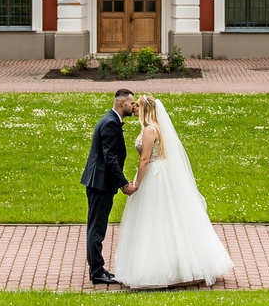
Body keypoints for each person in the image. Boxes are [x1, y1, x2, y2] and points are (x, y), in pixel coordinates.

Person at [111, 94, 234, 290]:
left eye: (138, 106)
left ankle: (161, 269)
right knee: (166, 218)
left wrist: (136, 184)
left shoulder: (149, 130)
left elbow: (144, 160)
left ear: (145, 110)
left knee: (154, 220)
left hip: (153, 176)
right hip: (160, 173)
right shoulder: (154, 128)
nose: (134, 108)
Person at [79, 86, 138, 286]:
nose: (133, 106)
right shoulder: (111, 124)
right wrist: (122, 183)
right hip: (100, 183)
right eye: (132, 103)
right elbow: (110, 158)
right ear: (122, 103)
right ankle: (97, 271)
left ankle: (97, 268)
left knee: (96, 227)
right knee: (97, 228)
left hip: (99, 181)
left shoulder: (110, 120)